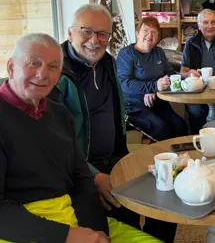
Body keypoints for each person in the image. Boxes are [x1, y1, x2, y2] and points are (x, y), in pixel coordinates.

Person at [0, 33, 160, 243]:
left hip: (72, 217)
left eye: (53, 66)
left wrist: (94, 230)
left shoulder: (59, 114)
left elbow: (80, 176)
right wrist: (66, 236)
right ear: (11, 67)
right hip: (22, 229)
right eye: (33, 63)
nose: (43, 74)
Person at [49, 4, 177, 242]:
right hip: (78, 173)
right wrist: (94, 176)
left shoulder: (107, 62)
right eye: (86, 32)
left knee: (168, 196)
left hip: (117, 158)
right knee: (117, 214)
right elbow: (54, 144)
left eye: (102, 34)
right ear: (70, 33)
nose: (94, 40)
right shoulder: (54, 74)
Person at [117, 16, 188, 141]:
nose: (150, 35)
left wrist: (183, 76)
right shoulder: (127, 54)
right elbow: (125, 83)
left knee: (180, 125)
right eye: (146, 31)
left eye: (154, 32)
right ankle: (161, 159)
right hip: (134, 107)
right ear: (137, 34)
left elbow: (169, 73)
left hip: (158, 102)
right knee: (160, 128)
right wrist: (153, 86)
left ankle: (181, 158)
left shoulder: (159, 52)